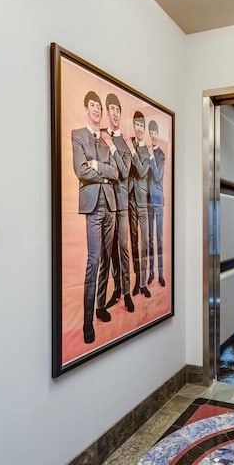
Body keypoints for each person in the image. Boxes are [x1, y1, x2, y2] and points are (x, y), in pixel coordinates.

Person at [72, 91, 118, 344]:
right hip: (92, 206)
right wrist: (104, 174)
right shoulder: (78, 135)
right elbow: (80, 170)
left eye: (99, 106)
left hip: (110, 205)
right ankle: (87, 320)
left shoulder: (106, 140)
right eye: (93, 105)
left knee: (106, 259)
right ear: (86, 109)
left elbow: (116, 173)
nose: (97, 109)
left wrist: (98, 167)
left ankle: (101, 305)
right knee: (93, 259)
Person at [101, 93, 134, 313]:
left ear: (120, 114)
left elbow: (124, 171)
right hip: (105, 202)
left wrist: (113, 147)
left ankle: (127, 292)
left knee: (123, 249)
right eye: (110, 108)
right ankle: (117, 289)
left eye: (117, 109)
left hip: (122, 203)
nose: (114, 112)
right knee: (109, 251)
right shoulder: (101, 137)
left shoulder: (125, 142)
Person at [127, 111, 152, 298]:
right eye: (137, 125)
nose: (139, 129)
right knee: (134, 243)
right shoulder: (129, 145)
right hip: (130, 199)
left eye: (142, 125)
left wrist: (134, 151)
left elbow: (142, 172)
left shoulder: (146, 151)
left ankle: (143, 283)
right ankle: (137, 281)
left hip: (143, 201)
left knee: (144, 244)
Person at [146, 120, 166, 287]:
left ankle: (161, 273)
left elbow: (158, 176)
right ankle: (151, 272)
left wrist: (151, 157)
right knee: (150, 239)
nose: (153, 136)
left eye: (155, 133)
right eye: (150, 133)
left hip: (158, 201)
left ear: (158, 135)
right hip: (147, 201)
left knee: (159, 239)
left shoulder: (161, 155)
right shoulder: (146, 153)